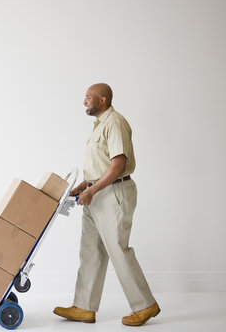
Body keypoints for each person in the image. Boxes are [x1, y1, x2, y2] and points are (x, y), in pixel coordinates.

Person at [53, 83, 160, 326]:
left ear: (102, 100)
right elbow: (101, 165)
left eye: (88, 97)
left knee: (117, 250)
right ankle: (84, 307)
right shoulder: (99, 126)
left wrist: (92, 189)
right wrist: (84, 186)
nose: (84, 102)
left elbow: (118, 164)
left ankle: (145, 305)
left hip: (114, 193)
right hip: (96, 193)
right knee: (91, 250)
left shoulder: (115, 122)